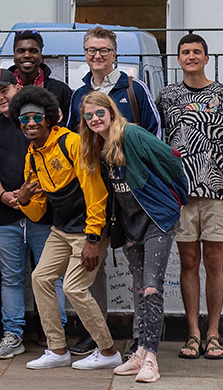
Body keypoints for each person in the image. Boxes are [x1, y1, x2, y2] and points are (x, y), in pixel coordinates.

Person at [79, 91, 188, 383]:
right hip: (129, 223)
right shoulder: (96, 144)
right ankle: (139, 351)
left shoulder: (132, 134)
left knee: (152, 287)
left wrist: (175, 199)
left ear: (111, 111)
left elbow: (172, 159)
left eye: (99, 113)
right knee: (139, 288)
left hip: (157, 219)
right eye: (88, 116)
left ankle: (151, 358)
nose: (94, 119)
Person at [10, 86, 121, 371]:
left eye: (36, 117)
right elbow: (37, 211)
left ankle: (108, 351)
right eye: (24, 119)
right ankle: (57, 349)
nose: (31, 123)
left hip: (88, 230)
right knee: (40, 278)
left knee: (74, 287)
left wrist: (94, 238)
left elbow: (96, 192)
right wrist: (23, 200)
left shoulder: (71, 143)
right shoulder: (32, 156)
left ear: (48, 118)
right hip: (61, 230)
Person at [66, 26, 160, 357]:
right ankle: (96, 333)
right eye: (91, 49)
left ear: (115, 53)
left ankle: (140, 335)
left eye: (104, 50)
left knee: (138, 266)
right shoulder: (78, 96)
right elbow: (73, 142)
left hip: (131, 194)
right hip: (94, 195)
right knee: (92, 263)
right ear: (84, 53)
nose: (97, 55)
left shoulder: (133, 89)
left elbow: (154, 134)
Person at [156, 33, 223, 361]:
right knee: (188, 261)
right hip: (180, 194)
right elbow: (157, 143)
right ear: (178, 58)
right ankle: (193, 332)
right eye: (185, 52)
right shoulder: (167, 96)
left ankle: (214, 333)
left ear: (206, 58)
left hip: (218, 192)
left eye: (197, 51)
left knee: (214, 261)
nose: (191, 56)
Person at [0, 68, 66, 360]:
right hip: (6, 215)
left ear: (17, 87)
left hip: (44, 215)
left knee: (50, 276)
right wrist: (4, 194)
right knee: (11, 277)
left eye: (4, 90)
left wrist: (33, 194)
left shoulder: (38, 120)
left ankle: (56, 335)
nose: (0, 97)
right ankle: (13, 334)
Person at [7, 30, 72, 123]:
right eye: (21, 51)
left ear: (41, 57)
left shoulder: (61, 91)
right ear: (14, 57)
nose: (27, 55)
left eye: (33, 51)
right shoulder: (4, 92)